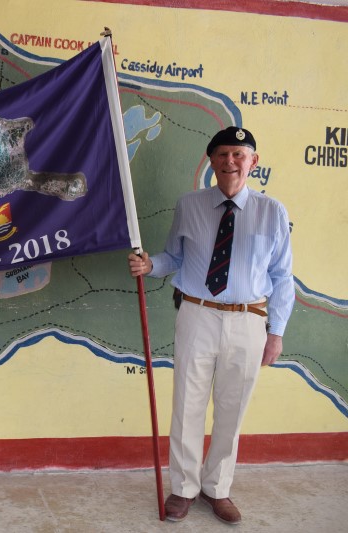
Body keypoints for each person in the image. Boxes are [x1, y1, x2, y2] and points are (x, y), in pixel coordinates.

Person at [128, 127, 294, 525]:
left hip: (250, 319)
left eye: (239, 154)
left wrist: (277, 332)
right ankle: (183, 488)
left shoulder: (273, 212)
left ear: (253, 161)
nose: (230, 161)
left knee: (232, 409)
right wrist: (151, 266)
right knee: (187, 404)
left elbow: (283, 277)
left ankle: (217, 488)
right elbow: (175, 256)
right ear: (211, 162)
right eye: (222, 154)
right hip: (197, 314)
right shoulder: (190, 205)